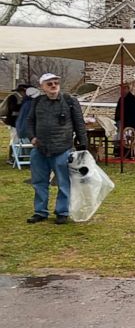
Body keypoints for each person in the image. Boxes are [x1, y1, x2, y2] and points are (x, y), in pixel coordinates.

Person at [25, 73, 87, 225]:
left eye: (55, 82)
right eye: (49, 83)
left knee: (63, 182)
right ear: (42, 87)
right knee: (39, 182)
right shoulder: (37, 101)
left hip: (62, 149)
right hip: (40, 149)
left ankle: (62, 212)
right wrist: (32, 137)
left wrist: (83, 146)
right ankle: (40, 212)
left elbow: (79, 124)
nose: (53, 85)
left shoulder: (69, 101)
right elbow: (29, 121)